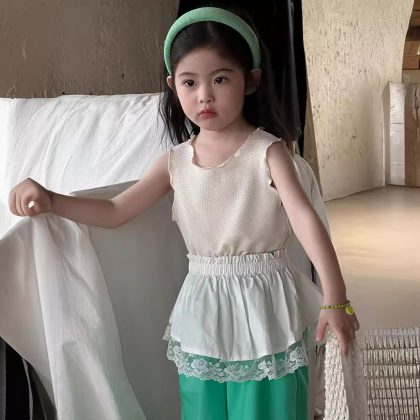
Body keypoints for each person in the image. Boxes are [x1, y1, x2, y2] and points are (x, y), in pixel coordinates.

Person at [9, 6, 360, 420]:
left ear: (251, 81)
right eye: (190, 82)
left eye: (220, 79)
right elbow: (116, 210)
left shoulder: (268, 153)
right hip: (203, 308)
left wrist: (335, 297)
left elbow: (304, 219)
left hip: (265, 307)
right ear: (173, 86)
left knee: (269, 409)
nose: (204, 95)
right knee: (201, 409)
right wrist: (52, 199)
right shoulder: (175, 162)